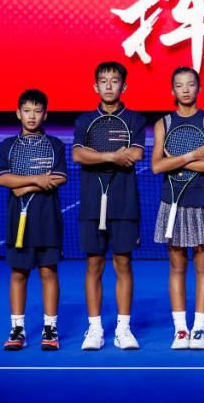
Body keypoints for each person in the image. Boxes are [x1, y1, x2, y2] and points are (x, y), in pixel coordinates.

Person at [72, 62, 146, 351]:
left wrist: (98, 155)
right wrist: (115, 157)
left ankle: (123, 329)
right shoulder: (84, 121)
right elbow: (78, 154)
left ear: (123, 86)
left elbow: (137, 153)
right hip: (91, 203)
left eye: (114, 81)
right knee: (93, 264)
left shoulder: (135, 120)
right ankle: (94, 329)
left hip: (124, 203)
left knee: (123, 264)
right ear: (95, 86)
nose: (108, 85)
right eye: (103, 80)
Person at [149, 67, 204, 351]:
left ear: (199, 88)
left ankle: (199, 329)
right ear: (172, 91)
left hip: (203, 201)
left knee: (203, 267)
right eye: (179, 85)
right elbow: (157, 166)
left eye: (191, 84)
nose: (185, 89)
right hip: (173, 203)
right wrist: (193, 155)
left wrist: (176, 160)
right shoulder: (163, 124)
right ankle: (181, 330)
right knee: (177, 267)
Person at [0, 89, 67, 352]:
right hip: (18, 222)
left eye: (37, 111)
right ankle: (18, 329)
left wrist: (26, 185)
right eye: (27, 110)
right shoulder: (7, 146)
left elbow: (59, 177)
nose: (31, 115)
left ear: (45, 114)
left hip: (48, 219)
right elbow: (4, 179)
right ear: (18, 113)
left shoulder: (55, 145)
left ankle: (50, 328)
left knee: (49, 272)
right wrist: (40, 179)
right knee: (18, 273)